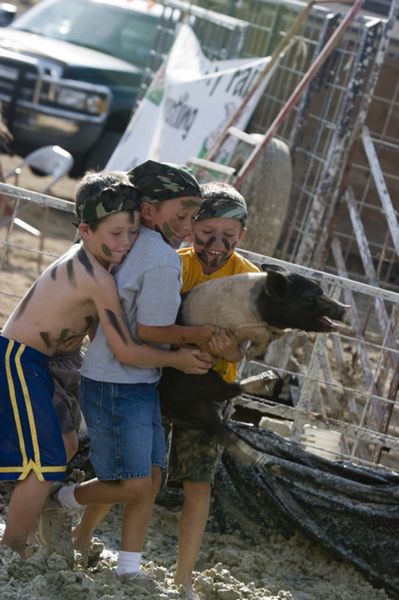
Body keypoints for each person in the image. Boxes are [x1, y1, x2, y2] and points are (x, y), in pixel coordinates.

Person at [0, 169, 211, 558]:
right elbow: (127, 351)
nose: (127, 242)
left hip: (57, 361)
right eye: (116, 233)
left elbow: (100, 334)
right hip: (20, 357)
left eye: (133, 232)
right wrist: (178, 357)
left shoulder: (104, 263)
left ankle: (25, 531)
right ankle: (11, 548)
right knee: (45, 460)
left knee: (63, 446)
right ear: (85, 231)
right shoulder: (94, 275)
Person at [55, 161, 221, 580]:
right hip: (119, 381)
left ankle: (128, 567)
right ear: (148, 209)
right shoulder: (163, 259)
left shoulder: (135, 242)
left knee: (149, 478)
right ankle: (59, 499)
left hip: (131, 379)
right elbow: (150, 329)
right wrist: (198, 335)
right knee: (136, 483)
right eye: (180, 216)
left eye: (191, 218)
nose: (186, 227)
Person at [169, 181, 260, 598]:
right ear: (191, 227)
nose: (217, 245)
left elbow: (246, 345)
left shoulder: (246, 278)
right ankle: (85, 534)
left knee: (199, 483)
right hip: (162, 380)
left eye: (229, 236)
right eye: (208, 233)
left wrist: (232, 351)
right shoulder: (174, 265)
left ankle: (183, 578)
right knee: (140, 471)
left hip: (209, 390)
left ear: (242, 236)